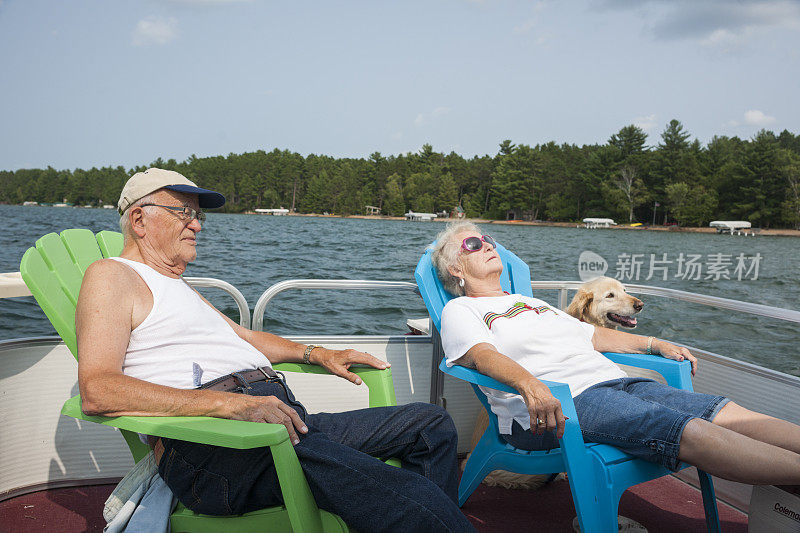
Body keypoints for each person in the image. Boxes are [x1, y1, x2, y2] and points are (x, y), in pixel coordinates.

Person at [76, 168, 475, 532]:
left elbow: (246, 338)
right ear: (139, 219)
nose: (196, 224)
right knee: (399, 491)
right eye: (183, 212)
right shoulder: (112, 275)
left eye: (198, 215)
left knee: (430, 425)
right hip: (217, 449)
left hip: (279, 423)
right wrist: (229, 406)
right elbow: (99, 390)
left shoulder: (179, 288)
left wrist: (316, 353)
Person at [432, 221, 800, 486]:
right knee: (689, 429)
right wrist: (529, 384)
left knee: (725, 412)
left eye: (488, 239)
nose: (487, 245)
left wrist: (654, 344)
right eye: (473, 245)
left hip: (615, 382)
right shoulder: (461, 310)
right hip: (559, 405)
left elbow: (592, 335)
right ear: (455, 268)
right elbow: (480, 356)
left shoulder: (532, 303)